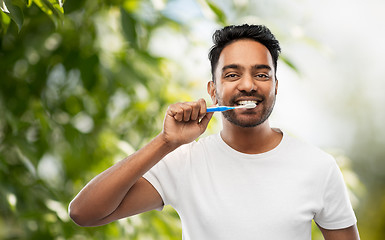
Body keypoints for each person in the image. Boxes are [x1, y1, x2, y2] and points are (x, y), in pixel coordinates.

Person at [69, 24, 360, 240]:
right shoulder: (185, 162)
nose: (248, 85)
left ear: (275, 86)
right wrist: (165, 143)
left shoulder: (318, 167)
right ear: (213, 91)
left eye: (261, 74)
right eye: (232, 75)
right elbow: (84, 213)